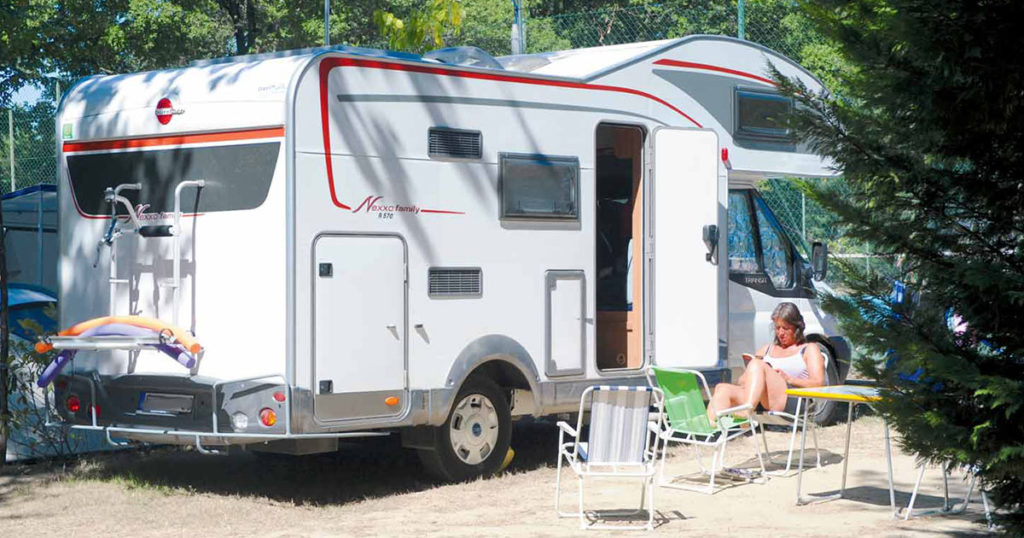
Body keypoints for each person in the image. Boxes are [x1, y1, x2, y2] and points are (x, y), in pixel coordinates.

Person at [708, 302, 826, 422]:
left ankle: (747, 411)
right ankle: (711, 427)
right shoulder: (767, 349)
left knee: (757, 364)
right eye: (777, 328)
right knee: (722, 388)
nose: (780, 333)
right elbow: (742, 381)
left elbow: (819, 383)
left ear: (797, 327)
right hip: (761, 399)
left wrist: (789, 379)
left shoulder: (808, 348)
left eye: (785, 328)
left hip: (793, 400)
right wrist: (749, 377)